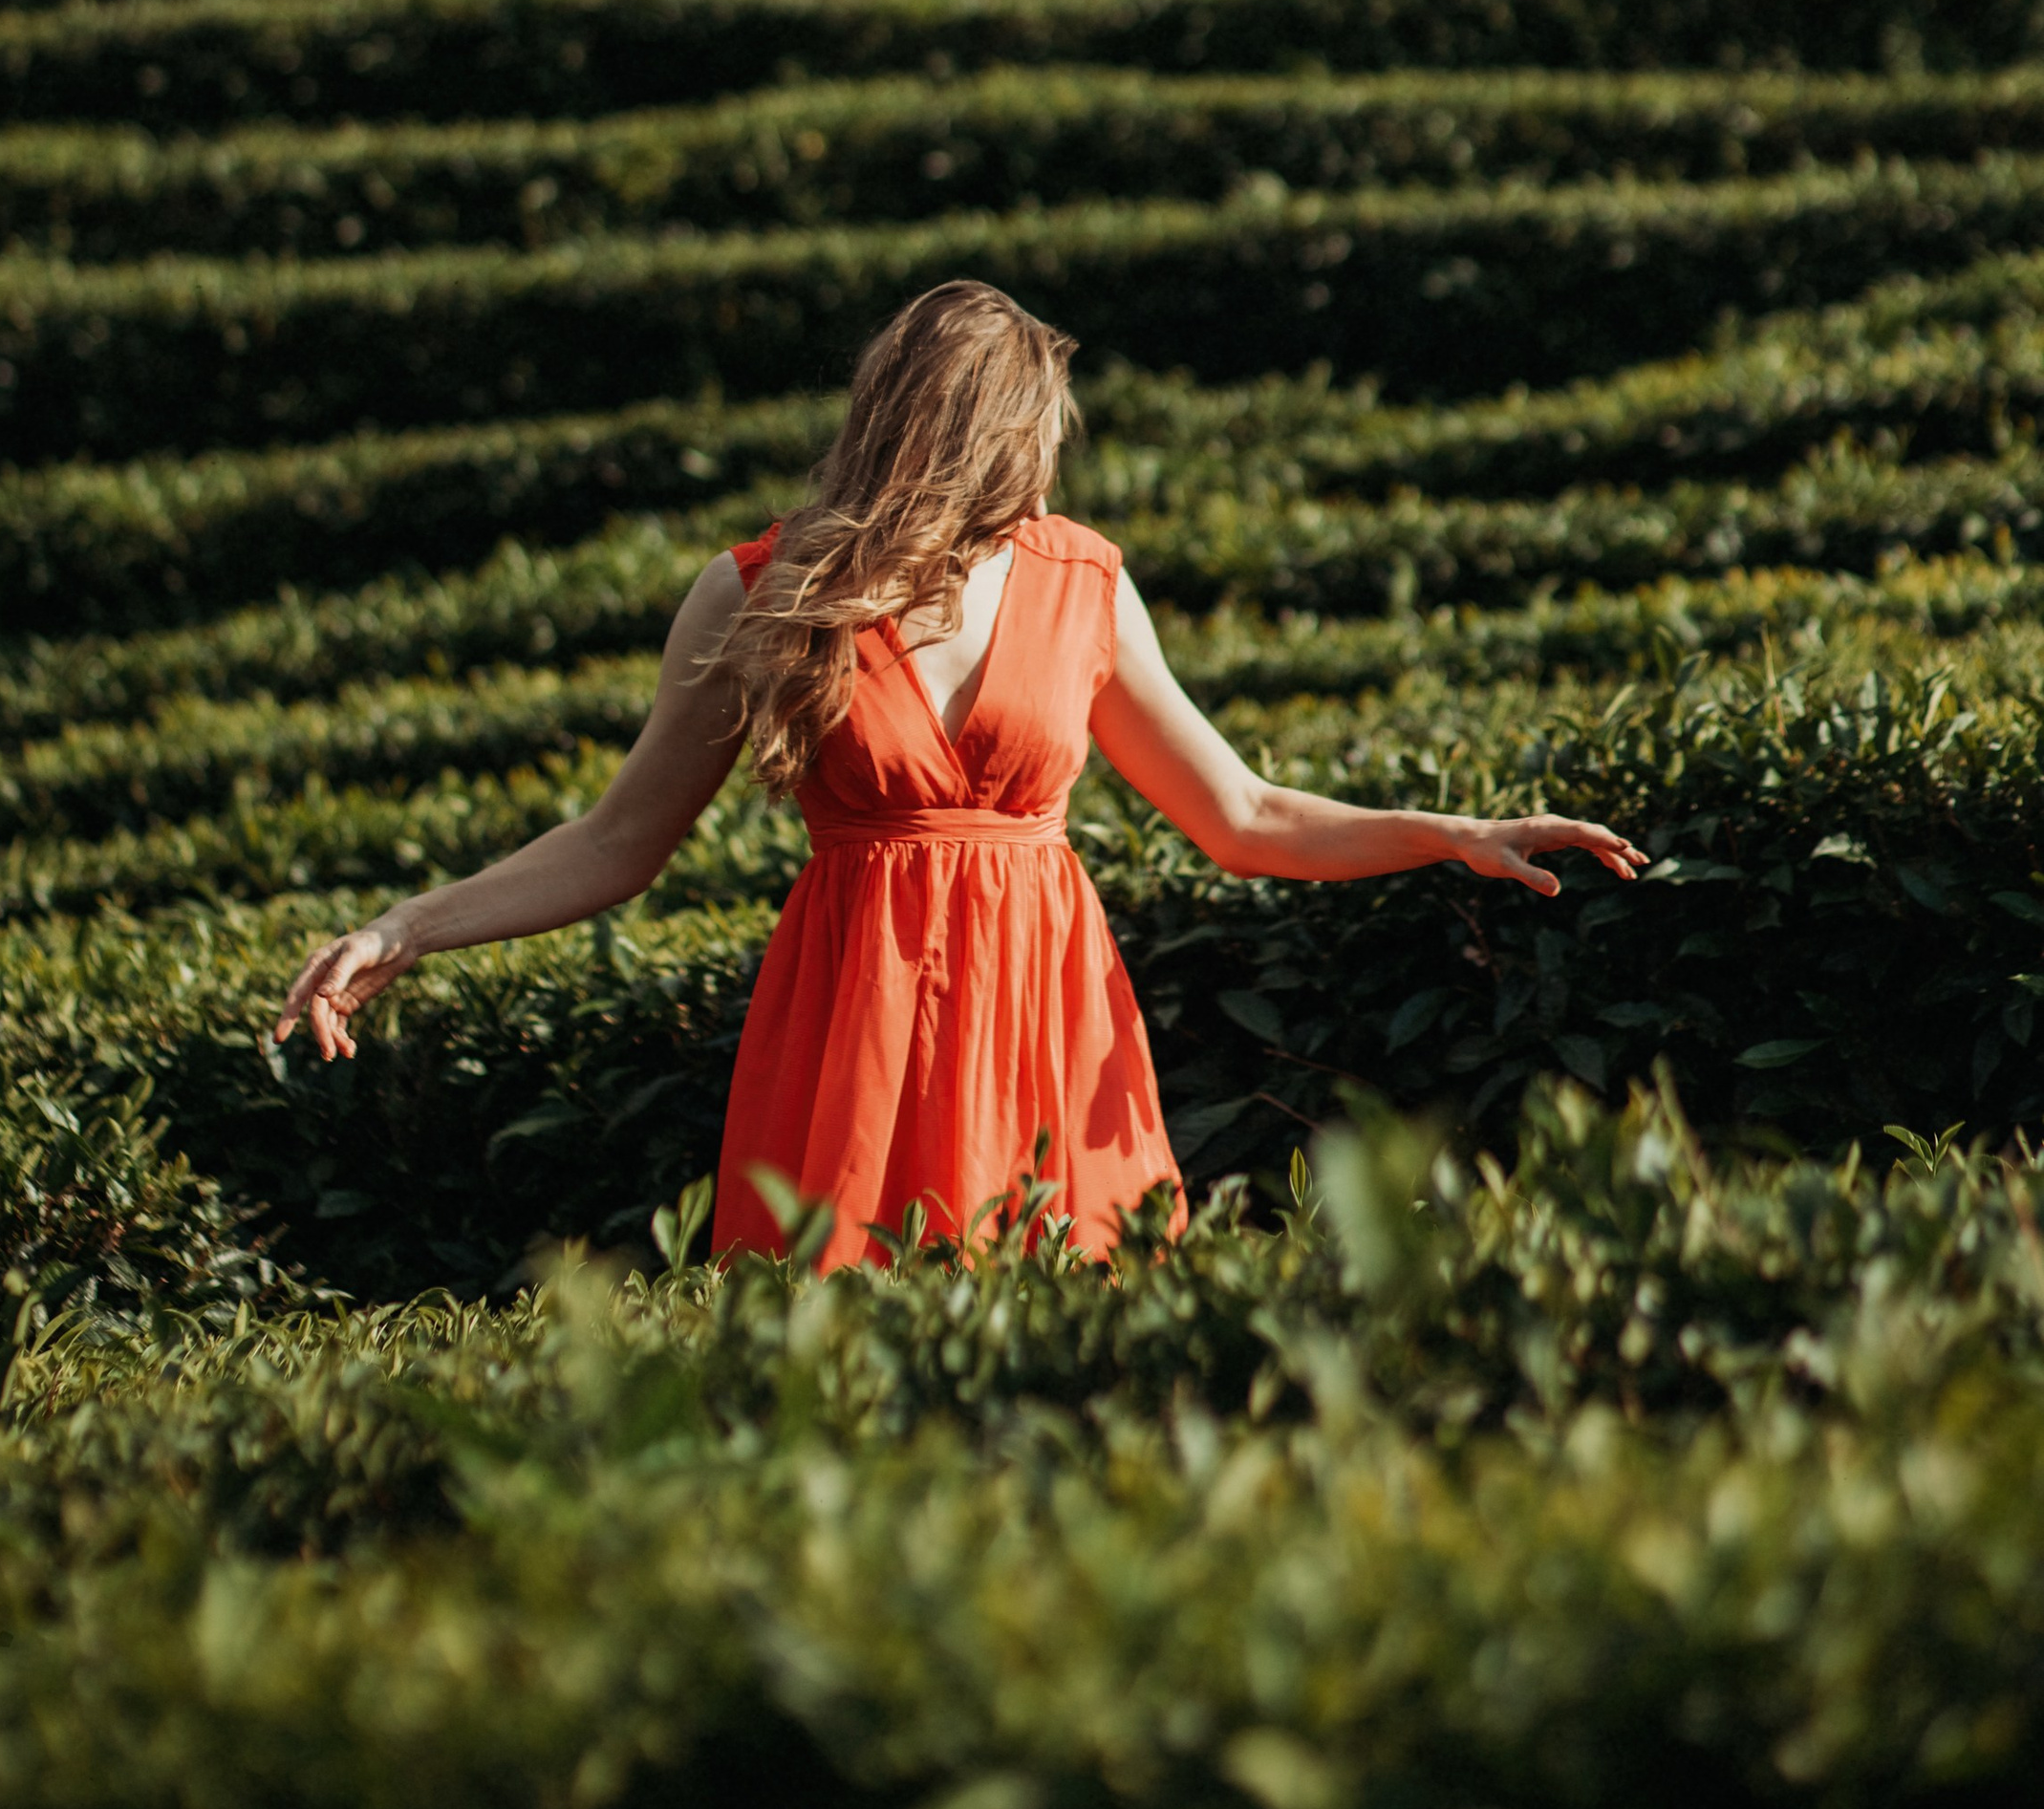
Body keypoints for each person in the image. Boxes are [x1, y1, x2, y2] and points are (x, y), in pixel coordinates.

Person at [275, 279, 1644, 1270]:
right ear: (980, 429)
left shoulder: (1084, 584)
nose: (1048, 465)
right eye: (1037, 431)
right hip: (850, 1029)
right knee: (846, 1334)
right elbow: (616, 840)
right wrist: (410, 927)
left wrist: (1450, 832)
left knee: (1070, 1319)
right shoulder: (757, 593)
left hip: (1046, 1014)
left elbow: (1244, 816)